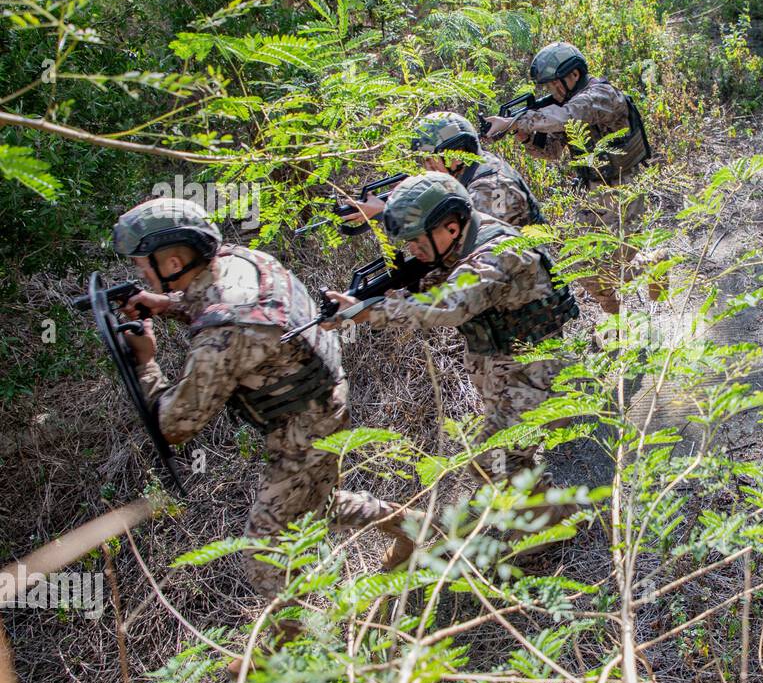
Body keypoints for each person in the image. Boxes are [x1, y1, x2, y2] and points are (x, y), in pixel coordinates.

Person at [111, 198, 410, 599]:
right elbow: (222, 302)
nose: (140, 271)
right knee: (315, 505)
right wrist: (166, 305)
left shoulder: (223, 335)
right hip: (324, 398)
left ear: (173, 262)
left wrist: (146, 362)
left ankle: (289, 651)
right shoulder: (238, 259)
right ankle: (414, 527)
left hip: (304, 426)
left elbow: (176, 425)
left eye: (143, 262)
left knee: (265, 550)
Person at [322, 172, 578, 546]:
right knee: (500, 462)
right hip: (509, 374)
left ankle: (552, 526)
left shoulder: (499, 253)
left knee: (492, 460)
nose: (412, 251)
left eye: (416, 240)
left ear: (452, 227)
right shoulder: (459, 240)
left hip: (542, 377)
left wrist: (372, 312)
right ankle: (550, 514)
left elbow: (451, 306)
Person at [482, 42, 655, 314]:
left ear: (573, 75)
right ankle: (615, 322)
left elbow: (566, 116)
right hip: (594, 191)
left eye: (554, 85)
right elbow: (551, 152)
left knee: (614, 264)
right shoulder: (566, 104)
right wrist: (523, 135)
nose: (552, 92)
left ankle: (651, 263)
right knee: (579, 263)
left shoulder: (601, 95)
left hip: (625, 187)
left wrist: (517, 121)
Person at [341, 111, 544, 229]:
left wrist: (389, 213)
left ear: (456, 154)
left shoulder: (492, 186)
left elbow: (469, 233)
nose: (427, 168)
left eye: (431, 160)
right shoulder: (468, 171)